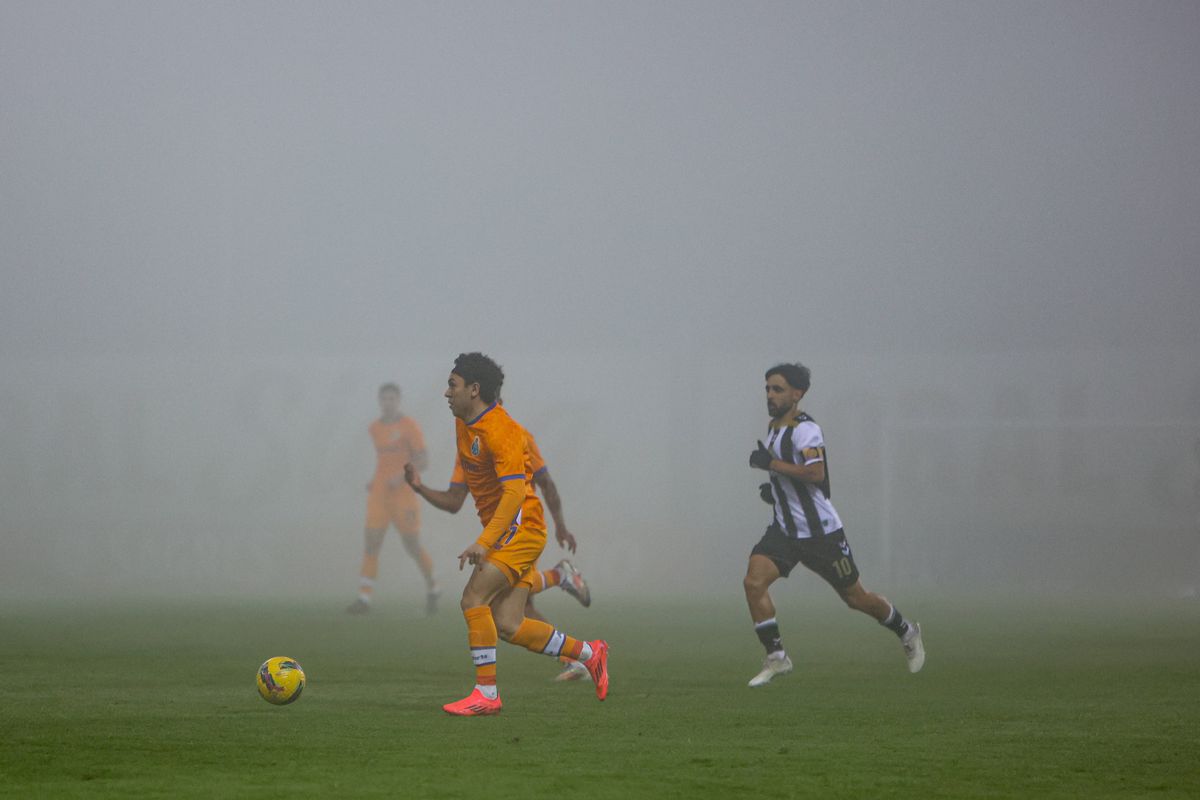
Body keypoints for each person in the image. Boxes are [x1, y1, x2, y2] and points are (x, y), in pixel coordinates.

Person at [404, 352, 608, 715]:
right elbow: (455, 500)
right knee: (509, 624)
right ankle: (590, 654)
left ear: (474, 389)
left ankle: (487, 694)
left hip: (523, 529)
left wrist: (484, 543)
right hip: (509, 531)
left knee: (472, 599)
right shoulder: (465, 424)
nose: (445, 393)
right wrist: (419, 488)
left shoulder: (505, 432)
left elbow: (515, 493)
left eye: (452, 385)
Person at [742, 363, 925, 687]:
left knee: (856, 598)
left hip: (821, 534)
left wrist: (771, 464)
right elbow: (795, 480)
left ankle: (905, 630)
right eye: (767, 388)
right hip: (785, 530)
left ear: (797, 394)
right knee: (754, 582)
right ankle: (777, 657)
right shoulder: (773, 427)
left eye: (778, 389)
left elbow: (816, 474)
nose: (770, 395)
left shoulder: (806, 429)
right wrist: (777, 493)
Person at [346, 383, 438, 615]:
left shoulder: (409, 427)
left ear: (398, 401)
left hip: (404, 494)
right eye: (384, 398)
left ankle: (433, 588)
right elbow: (383, 461)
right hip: (380, 493)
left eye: (392, 398)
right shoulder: (374, 428)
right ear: (379, 401)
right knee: (372, 542)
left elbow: (424, 460)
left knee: (412, 545)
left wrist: (402, 476)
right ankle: (364, 598)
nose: (388, 402)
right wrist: (374, 480)